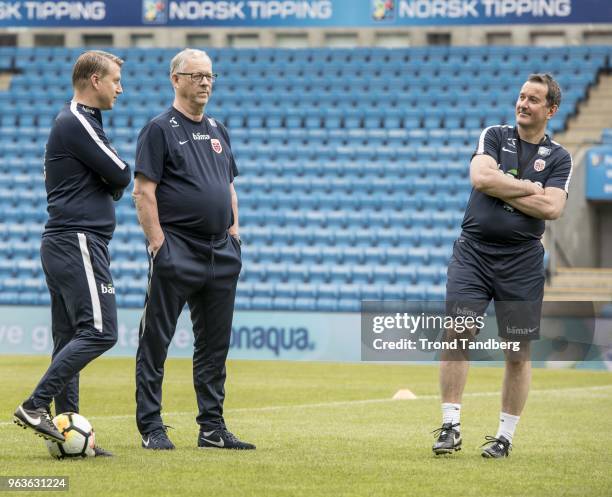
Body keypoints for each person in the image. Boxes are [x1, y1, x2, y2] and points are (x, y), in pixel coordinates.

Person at [432, 74, 573, 458]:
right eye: (521, 96)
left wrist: (502, 184)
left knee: (517, 350)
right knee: (458, 331)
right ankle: (450, 426)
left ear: (551, 110)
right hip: (473, 252)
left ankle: (504, 437)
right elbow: (480, 178)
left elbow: (554, 208)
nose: (523, 104)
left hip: (522, 260)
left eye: (533, 99)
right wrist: (530, 187)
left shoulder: (559, 157)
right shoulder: (494, 135)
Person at [133, 48, 253, 451]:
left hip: (220, 251)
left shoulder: (218, 129)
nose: (205, 82)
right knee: (156, 341)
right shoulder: (159, 129)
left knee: (215, 346)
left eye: (210, 76)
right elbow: (143, 191)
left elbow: (228, 186)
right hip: (177, 249)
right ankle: (151, 426)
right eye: (197, 75)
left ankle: (212, 428)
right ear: (176, 79)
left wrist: (234, 233)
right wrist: (158, 244)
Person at [13, 50, 131, 457]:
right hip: (78, 239)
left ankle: (68, 432)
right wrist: (109, 181)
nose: (121, 87)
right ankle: (34, 405)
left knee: (70, 338)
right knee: (101, 331)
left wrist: (109, 181)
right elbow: (120, 174)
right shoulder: (76, 120)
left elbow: (113, 180)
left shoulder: (84, 123)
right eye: (115, 79)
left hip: (66, 241)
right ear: (94, 81)